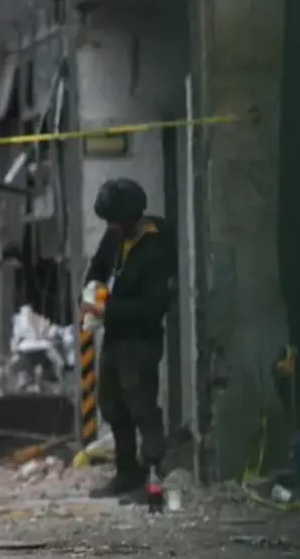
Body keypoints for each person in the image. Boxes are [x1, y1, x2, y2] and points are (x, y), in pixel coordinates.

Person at [81, 177, 176, 500]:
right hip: (115, 336)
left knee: (142, 408)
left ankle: (153, 479)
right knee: (112, 405)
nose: (111, 227)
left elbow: (153, 305)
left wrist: (108, 310)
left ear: (131, 218)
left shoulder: (155, 246)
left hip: (140, 340)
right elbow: (97, 268)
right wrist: (91, 292)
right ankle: (127, 472)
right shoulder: (114, 237)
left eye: (115, 221)